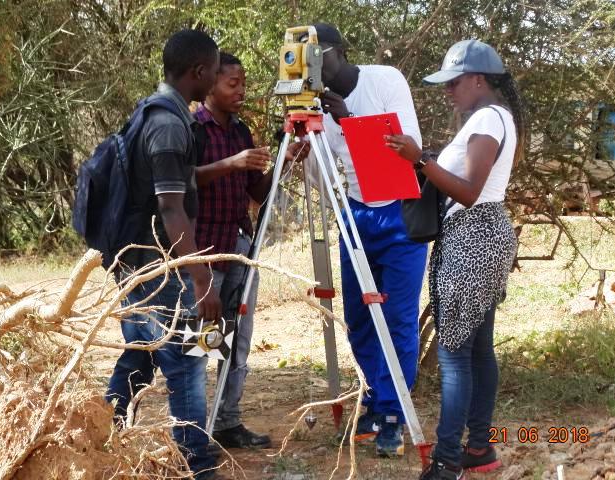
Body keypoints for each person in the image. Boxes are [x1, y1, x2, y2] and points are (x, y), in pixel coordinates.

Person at [386, 39, 525, 479]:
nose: (449, 92)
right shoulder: (494, 118)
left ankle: (446, 462)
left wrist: (420, 160)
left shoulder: (487, 118)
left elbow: (467, 192)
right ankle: (480, 449)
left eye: (455, 83)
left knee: (454, 355)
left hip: (473, 238)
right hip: (481, 235)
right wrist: (420, 162)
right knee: (477, 351)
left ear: (478, 80)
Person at [105, 29, 223, 480]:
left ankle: (100, 433)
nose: (215, 76)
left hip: (138, 261)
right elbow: (171, 206)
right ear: (199, 71)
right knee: (188, 362)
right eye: (213, 69)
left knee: (140, 354)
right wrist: (199, 277)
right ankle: (199, 463)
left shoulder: (154, 113)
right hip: (159, 265)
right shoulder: (170, 124)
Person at [308, 23, 428, 457]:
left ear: (339, 51)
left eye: (318, 55)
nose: (313, 66)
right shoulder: (316, 107)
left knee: (396, 318)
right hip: (356, 212)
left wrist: (350, 122)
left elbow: (406, 151)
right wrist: (309, 143)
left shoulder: (384, 80)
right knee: (359, 319)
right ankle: (376, 401)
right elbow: (320, 176)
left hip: (399, 212)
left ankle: (393, 414)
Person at [192, 52, 306, 449]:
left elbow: (257, 192)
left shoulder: (241, 132)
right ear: (210, 86)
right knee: (204, 338)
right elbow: (184, 182)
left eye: (244, 83)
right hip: (205, 255)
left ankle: (227, 419)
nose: (240, 91)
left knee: (238, 337)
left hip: (240, 247)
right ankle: (193, 426)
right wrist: (233, 163)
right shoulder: (194, 129)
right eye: (232, 84)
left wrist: (282, 164)